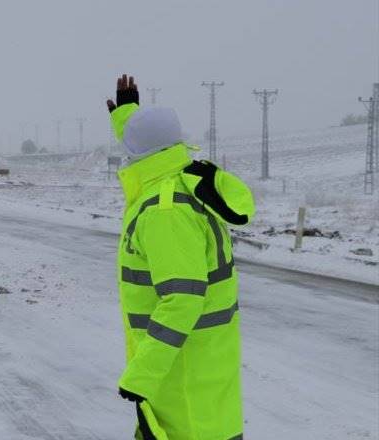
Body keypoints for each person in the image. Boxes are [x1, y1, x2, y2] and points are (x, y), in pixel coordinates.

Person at [107, 75, 255, 440]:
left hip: (180, 371)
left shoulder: (164, 212)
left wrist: (142, 375)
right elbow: (148, 144)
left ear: (137, 153)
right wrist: (128, 117)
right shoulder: (181, 181)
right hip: (201, 365)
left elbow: (183, 299)